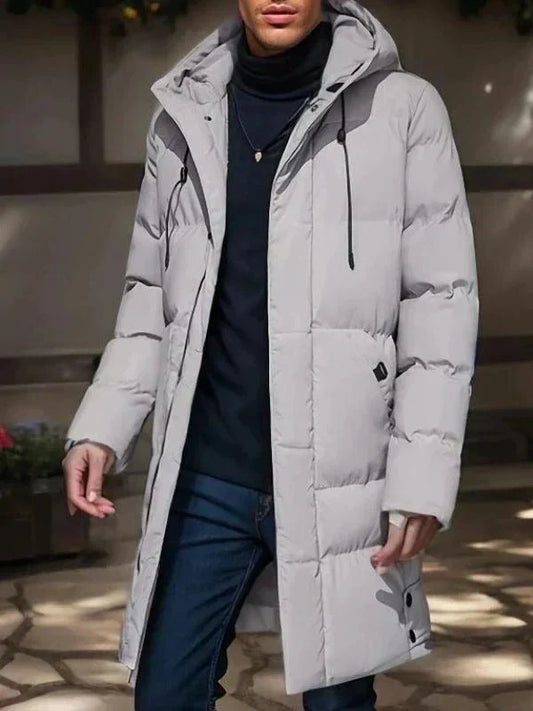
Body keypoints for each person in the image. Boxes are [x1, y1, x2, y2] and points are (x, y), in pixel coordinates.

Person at [62, 1, 479, 709]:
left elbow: (440, 303)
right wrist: (102, 425)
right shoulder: (184, 113)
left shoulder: (404, 109)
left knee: (338, 702)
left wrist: (422, 476)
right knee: (165, 693)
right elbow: (151, 294)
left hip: (340, 476)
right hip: (209, 473)